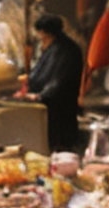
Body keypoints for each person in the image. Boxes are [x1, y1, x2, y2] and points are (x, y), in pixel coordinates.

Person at [23, 15, 86, 155]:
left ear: (45, 32)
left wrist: (40, 96)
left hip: (59, 108)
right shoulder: (56, 46)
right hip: (53, 105)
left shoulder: (65, 50)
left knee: (59, 147)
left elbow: (58, 80)